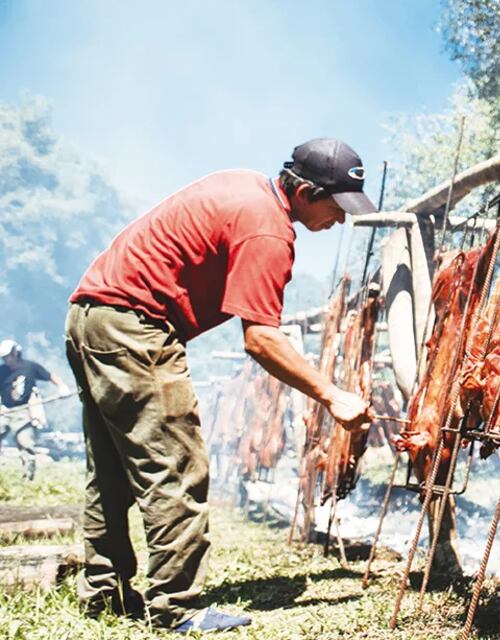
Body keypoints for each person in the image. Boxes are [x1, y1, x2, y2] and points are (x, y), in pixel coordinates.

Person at [64, 138, 376, 633]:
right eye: (336, 207)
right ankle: (176, 608)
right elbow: (261, 341)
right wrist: (333, 395)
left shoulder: (245, 186)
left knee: (112, 470)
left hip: (92, 317)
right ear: (305, 192)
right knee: (178, 467)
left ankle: (106, 594)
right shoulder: (269, 231)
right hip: (136, 328)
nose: (339, 220)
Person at [0, 339, 71, 480]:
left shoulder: (30, 367)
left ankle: (28, 478)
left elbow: (50, 376)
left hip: (24, 412)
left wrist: (62, 387)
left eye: (8, 356)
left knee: (26, 443)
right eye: (4, 358)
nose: (6, 360)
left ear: (15, 353)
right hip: (5, 411)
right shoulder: (2, 371)